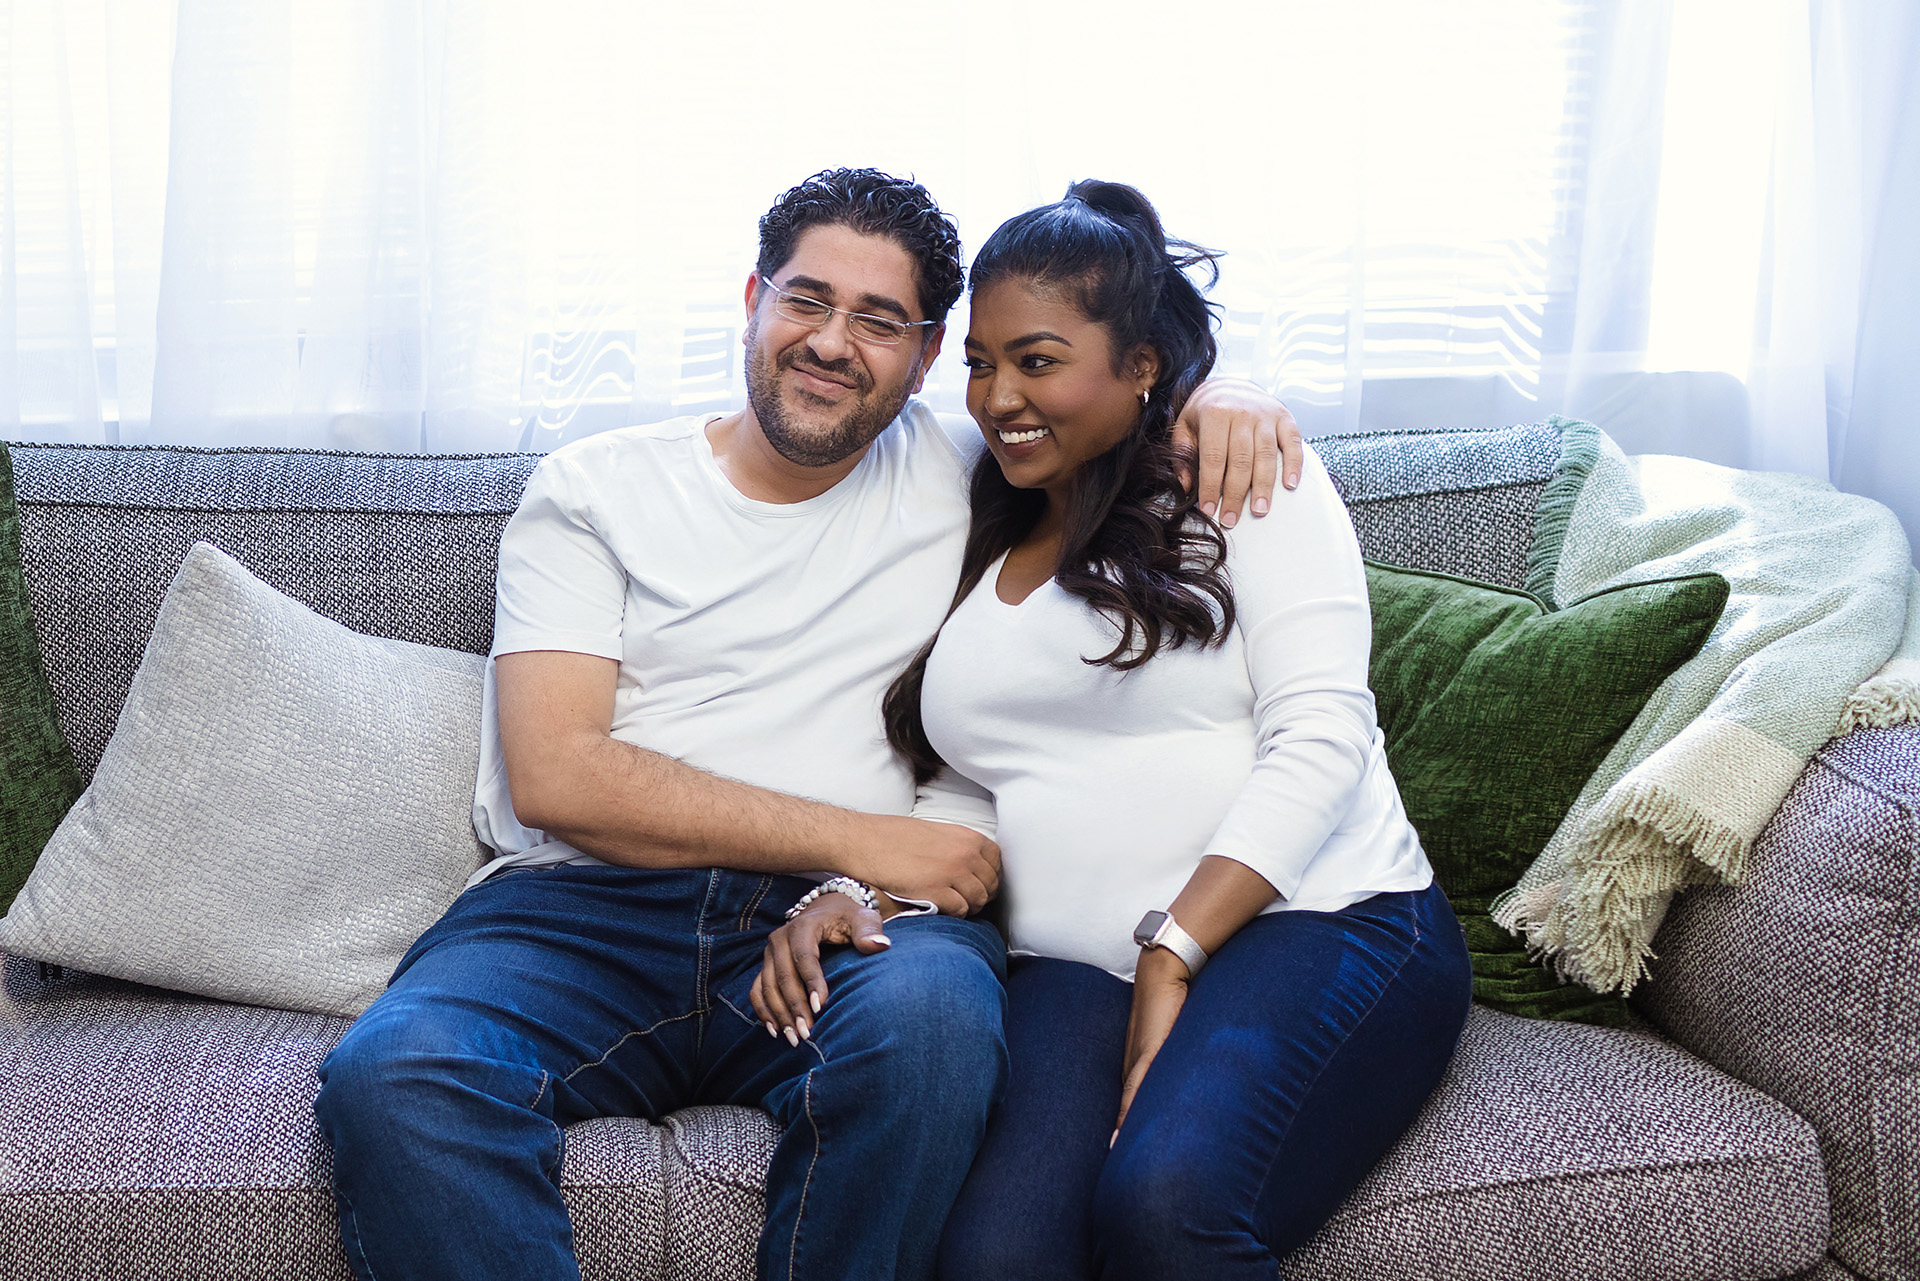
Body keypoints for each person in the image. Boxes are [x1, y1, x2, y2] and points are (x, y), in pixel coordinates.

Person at [311, 168, 1305, 1281]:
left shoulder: (975, 468)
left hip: (860, 930)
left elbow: (1106, 392)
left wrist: (1222, 401)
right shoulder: (594, 490)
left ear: (930, 356)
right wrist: (862, 842)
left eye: (880, 321)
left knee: (930, 1031)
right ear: (752, 298)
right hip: (577, 914)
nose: (834, 343)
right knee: (396, 1074)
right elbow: (556, 775)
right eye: (807, 300)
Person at [754, 180, 1473, 1280]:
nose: (999, 398)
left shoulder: (1241, 483)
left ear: (1140, 367)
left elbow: (1322, 733)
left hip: (1323, 919)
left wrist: (1173, 951)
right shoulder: (978, 520)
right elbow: (975, 784)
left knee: (1165, 1205)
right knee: (993, 1260)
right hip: (1072, 970)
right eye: (982, 363)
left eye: (1037, 361)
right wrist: (864, 889)